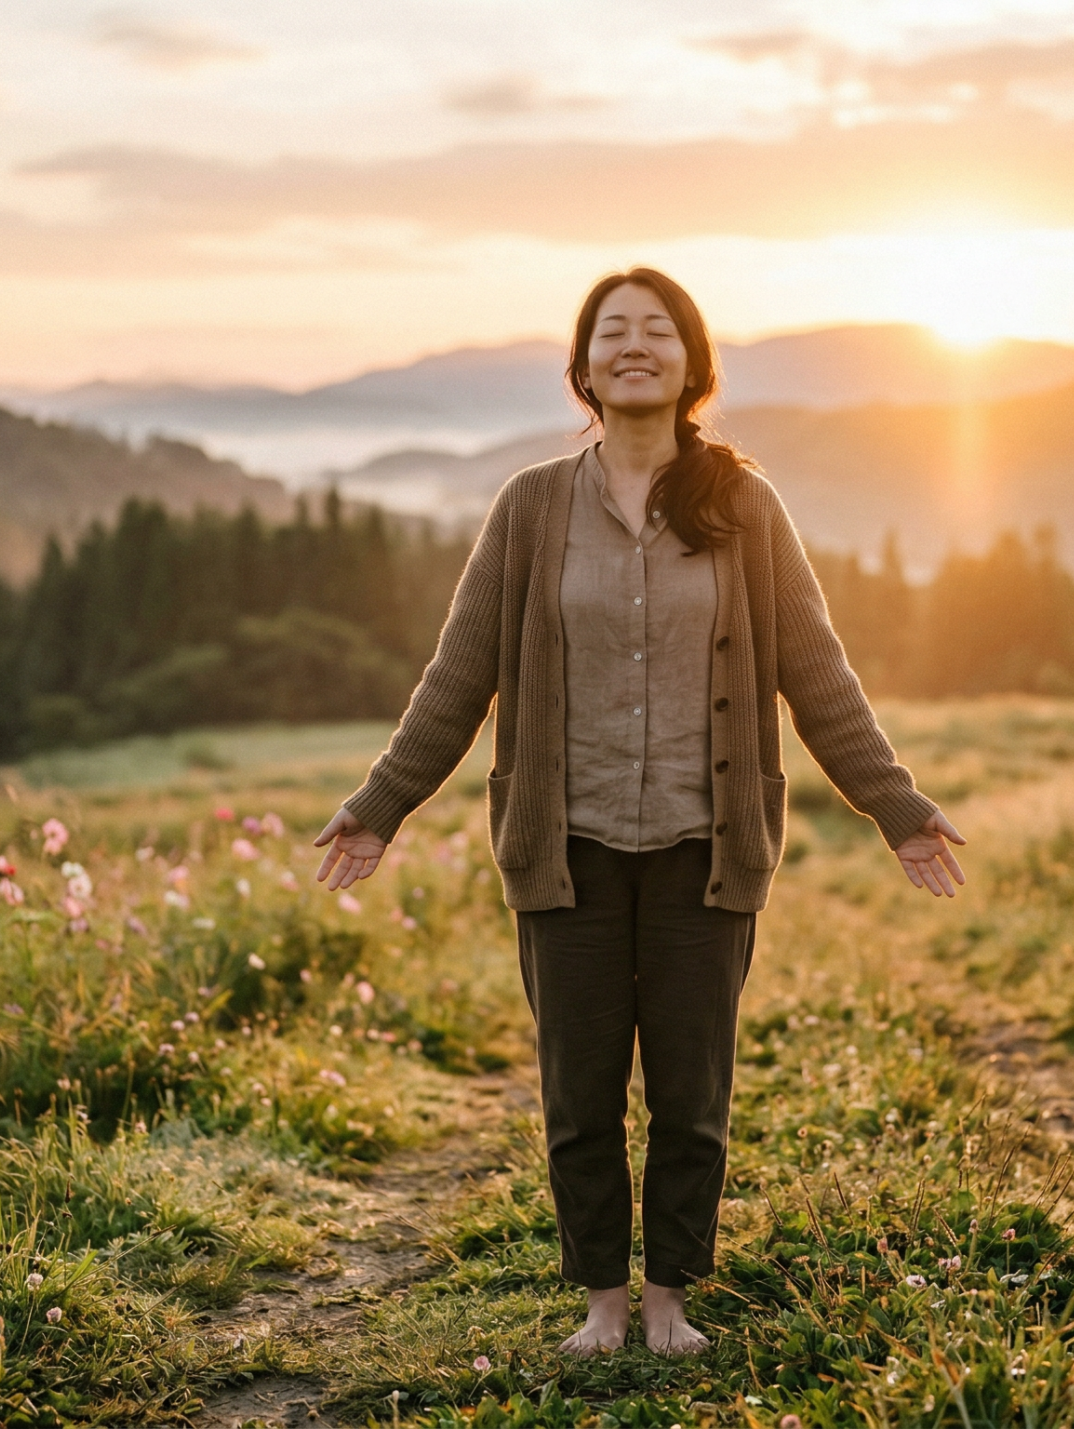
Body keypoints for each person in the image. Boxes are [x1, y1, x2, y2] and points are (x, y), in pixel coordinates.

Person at [313, 267, 966, 1357]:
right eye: (611, 331)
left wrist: (894, 805)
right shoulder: (529, 507)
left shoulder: (744, 505)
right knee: (578, 1093)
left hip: (705, 849)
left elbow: (815, 671)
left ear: (691, 362)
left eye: (657, 330)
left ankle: (669, 1297)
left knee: (690, 1092)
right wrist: (381, 804)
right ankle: (601, 1302)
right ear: (582, 367)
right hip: (563, 848)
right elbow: (460, 675)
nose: (634, 346)